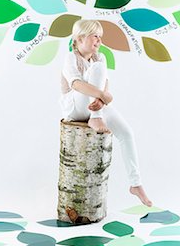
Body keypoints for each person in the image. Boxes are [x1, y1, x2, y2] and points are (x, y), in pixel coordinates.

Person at [60, 19, 152, 207]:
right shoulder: (71, 58)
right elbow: (76, 84)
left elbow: (105, 83)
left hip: (95, 104)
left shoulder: (99, 58)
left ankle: (136, 184)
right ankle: (95, 118)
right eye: (95, 36)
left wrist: (101, 100)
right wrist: (103, 95)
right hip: (75, 106)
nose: (99, 41)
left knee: (127, 134)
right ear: (80, 38)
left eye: (100, 37)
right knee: (96, 72)